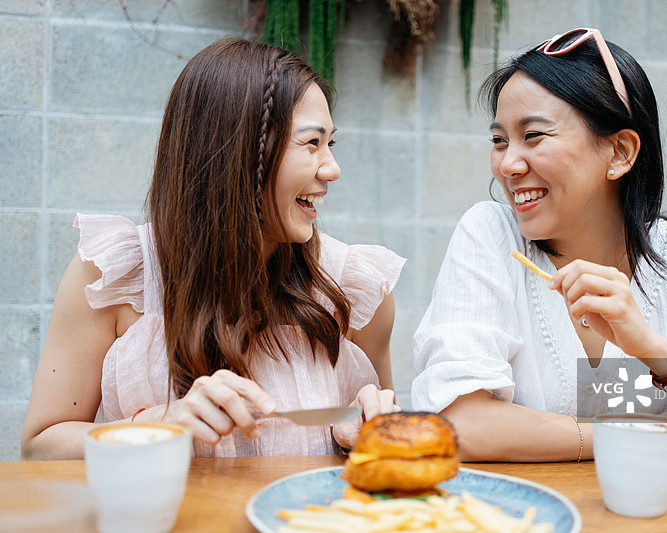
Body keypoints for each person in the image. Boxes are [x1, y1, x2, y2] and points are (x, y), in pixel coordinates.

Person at [412, 28, 667, 473]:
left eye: (534, 135)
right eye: (499, 140)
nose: (507, 164)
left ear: (619, 152)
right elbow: (462, 425)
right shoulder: (491, 236)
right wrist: (656, 433)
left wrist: (658, 353)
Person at [21, 38, 405, 460]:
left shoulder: (355, 289)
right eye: (312, 143)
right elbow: (41, 448)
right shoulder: (115, 276)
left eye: (331, 144)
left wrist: (371, 435)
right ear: (238, 152)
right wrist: (159, 423)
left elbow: (385, 454)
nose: (332, 168)